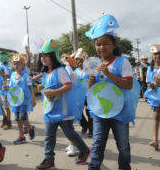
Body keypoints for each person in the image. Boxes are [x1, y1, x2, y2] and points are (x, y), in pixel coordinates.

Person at [85, 14, 140, 170]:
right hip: (99, 112)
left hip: (120, 112)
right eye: (98, 44)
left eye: (106, 44)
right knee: (97, 145)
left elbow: (128, 84)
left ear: (114, 44)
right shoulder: (93, 63)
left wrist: (109, 74)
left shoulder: (123, 62)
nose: (102, 47)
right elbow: (91, 90)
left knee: (123, 146)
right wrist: (91, 76)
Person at [36, 39, 90, 170]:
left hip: (63, 110)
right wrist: (42, 86)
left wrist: (54, 92)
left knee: (69, 133)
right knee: (49, 137)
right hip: (50, 110)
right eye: (42, 55)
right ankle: (49, 160)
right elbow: (52, 85)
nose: (43, 58)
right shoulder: (46, 72)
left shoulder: (60, 70)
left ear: (53, 56)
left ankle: (84, 149)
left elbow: (68, 86)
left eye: (46, 55)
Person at [9, 54, 36, 144]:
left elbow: (31, 87)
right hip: (15, 101)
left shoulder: (26, 76)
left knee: (23, 118)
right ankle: (21, 136)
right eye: (15, 64)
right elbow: (11, 87)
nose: (16, 66)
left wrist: (33, 98)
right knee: (17, 119)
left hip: (24, 101)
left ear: (22, 65)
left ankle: (30, 127)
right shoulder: (12, 75)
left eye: (18, 64)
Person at [144, 44, 160, 151]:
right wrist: (154, 84)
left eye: (159, 54)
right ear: (152, 56)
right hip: (156, 98)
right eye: (155, 54)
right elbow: (148, 84)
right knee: (155, 117)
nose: (158, 56)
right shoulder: (150, 69)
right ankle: (155, 140)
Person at [0, 51, 12, 130]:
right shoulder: (0, 66)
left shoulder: (6, 68)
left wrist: (0, 73)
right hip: (0, 90)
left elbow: (7, 77)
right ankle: (4, 118)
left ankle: (8, 122)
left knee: (6, 107)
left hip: (5, 90)